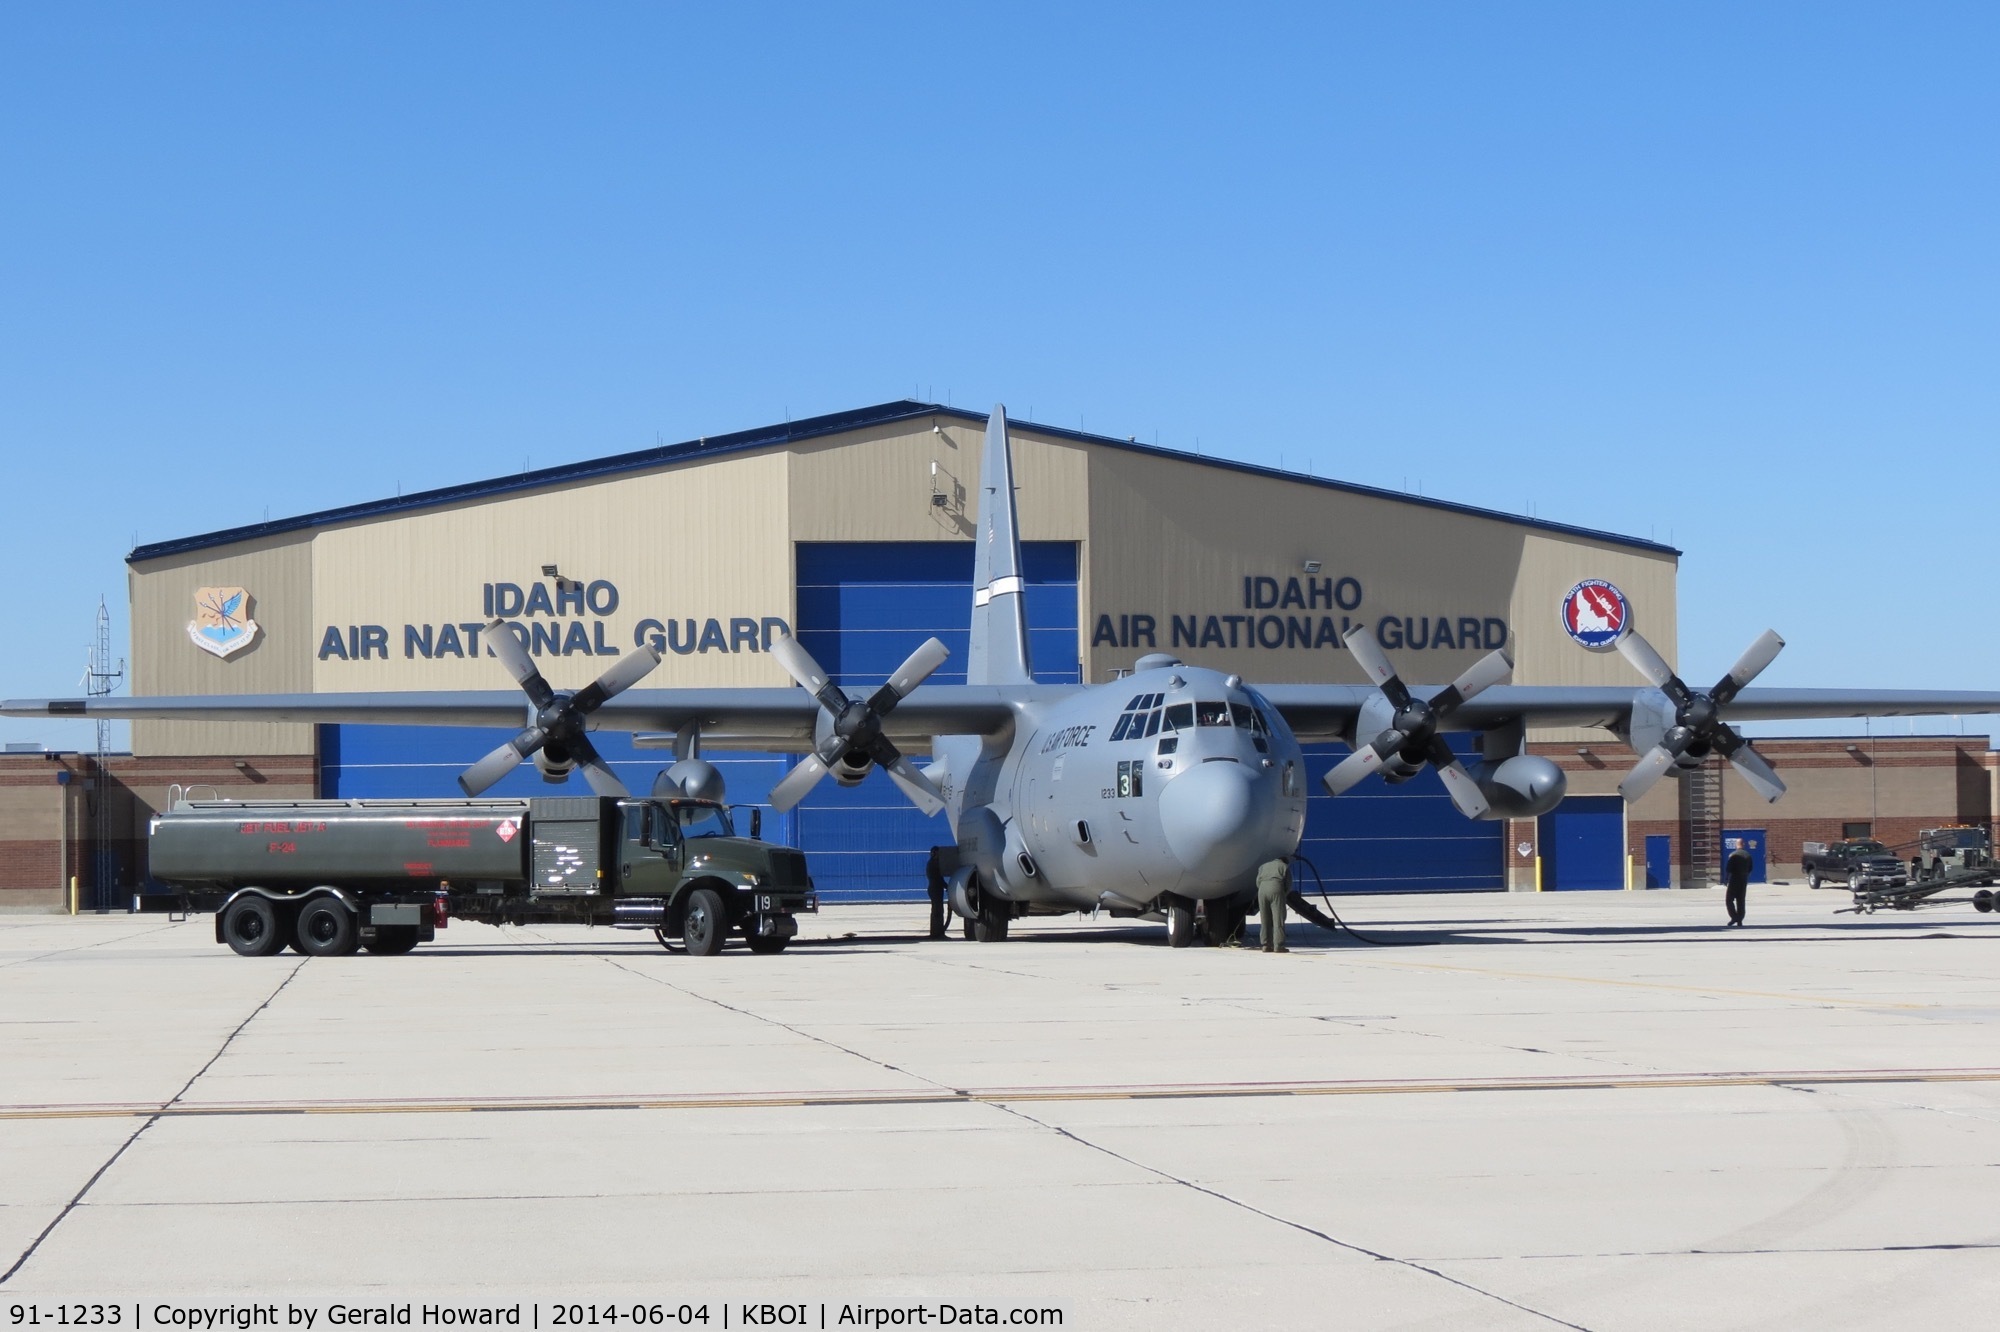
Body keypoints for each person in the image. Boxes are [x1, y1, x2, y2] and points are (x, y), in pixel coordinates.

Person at [1255, 856, 1291, 952]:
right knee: (1278, 918)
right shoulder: (1284, 866)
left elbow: (1257, 882)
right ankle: (1278, 945)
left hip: (1262, 890)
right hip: (1276, 888)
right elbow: (1288, 884)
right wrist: (1283, 894)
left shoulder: (1263, 866)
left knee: (1265, 918)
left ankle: (1265, 945)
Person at [924, 845, 951, 940]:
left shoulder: (931, 863)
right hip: (935, 888)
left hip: (934, 888)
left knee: (936, 910)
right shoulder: (934, 864)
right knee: (938, 911)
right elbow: (939, 879)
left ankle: (937, 932)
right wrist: (947, 886)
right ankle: (938, 933)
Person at [1724, 842, 1752, 926]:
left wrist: (1726, 879)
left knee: (1729, 899)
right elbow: (1750, 868)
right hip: (1743, 880)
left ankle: (1734, 917)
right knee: (1741, 900)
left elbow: (1728, 868)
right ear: (1743, 845)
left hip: (1734, 879)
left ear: (1736, 845)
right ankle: (1740, 919)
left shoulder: (1733, 855)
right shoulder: (1748, 855)